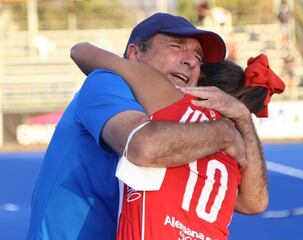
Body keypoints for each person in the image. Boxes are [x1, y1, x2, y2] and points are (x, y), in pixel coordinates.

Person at [27, 13, 262, 240]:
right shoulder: (107, 81)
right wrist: (224, 133)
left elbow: (251, 201)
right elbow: (143, 147)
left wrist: (243, 118)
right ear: (134, 53)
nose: (190, 61)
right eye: (176, 46)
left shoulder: (187, 126)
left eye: (198, 58)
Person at [71, 42, 285, 239]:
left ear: (203, 84)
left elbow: (81, 51)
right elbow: (257, 203)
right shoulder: (236, 153)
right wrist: (243, 118)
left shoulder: (171, 99)